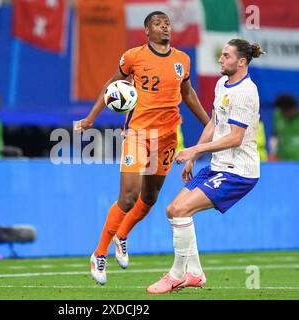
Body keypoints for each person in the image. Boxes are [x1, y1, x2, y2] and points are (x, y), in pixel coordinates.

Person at [75, 11, 210, 285]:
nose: (165, 27)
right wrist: (90, 118)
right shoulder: (133, 57)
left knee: (149, 199)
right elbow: (111, 86)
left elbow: (188, 94)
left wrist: (209, 123)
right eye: (158, 24)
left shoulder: (182, 60)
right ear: (146, 30)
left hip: (167, 137)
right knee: (127, 196)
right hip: (138, 134)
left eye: (167, 24)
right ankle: (99, 254)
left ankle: (122, 235)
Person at [146, 39, 264, 294]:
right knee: (172, 210)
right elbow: (213, 122)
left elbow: (235, 138)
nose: (220, 60)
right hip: (218, 165)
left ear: (241, 62)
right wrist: (192, 157)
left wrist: (195, 149)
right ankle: (196, 274)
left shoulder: (245, 92)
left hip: (238, 172)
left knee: (180, 210)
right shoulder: (222, 84)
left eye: (225, 56)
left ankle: (177, 275)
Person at [269, 94, 299, 161]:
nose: (284, 114)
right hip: (282, 162)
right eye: (282, 111)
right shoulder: (277, 115)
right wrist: (273, 153)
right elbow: (274, 135)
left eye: (286, 111)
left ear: (294, 108)